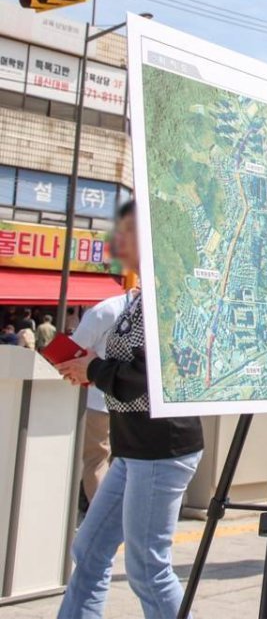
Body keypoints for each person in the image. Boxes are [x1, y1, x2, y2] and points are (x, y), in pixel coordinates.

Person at [52, 201, 204, 618]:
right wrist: (88, 369)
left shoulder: (176, 293)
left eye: (129, 231)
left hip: (162, 447)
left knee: (147, 568)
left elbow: (148, 375)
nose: (118, 239)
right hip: (132, 446)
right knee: (90, 549)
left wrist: (93, 368)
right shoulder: (141, 296)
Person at [73, 293, 131, 508]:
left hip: (99, 399)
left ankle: (102, 518)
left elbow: (73, 350)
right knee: (124, 463)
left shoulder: (104, 310)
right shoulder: (147, 310)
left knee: (96, 460)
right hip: (131, 400)